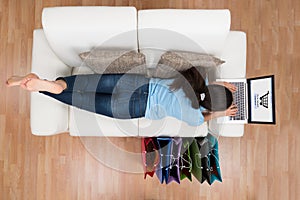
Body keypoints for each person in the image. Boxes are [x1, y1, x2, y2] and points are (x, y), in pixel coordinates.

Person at [6, 67, 238, 126]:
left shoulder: (194, 81)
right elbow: (206, 118)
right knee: (81, 100)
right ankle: (42, 87)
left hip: (135, 82)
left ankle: (50, 82)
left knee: (83, 82)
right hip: (133, 108)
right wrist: (221, 113)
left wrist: (221, 84)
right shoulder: (196, 117)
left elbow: (204, 87)